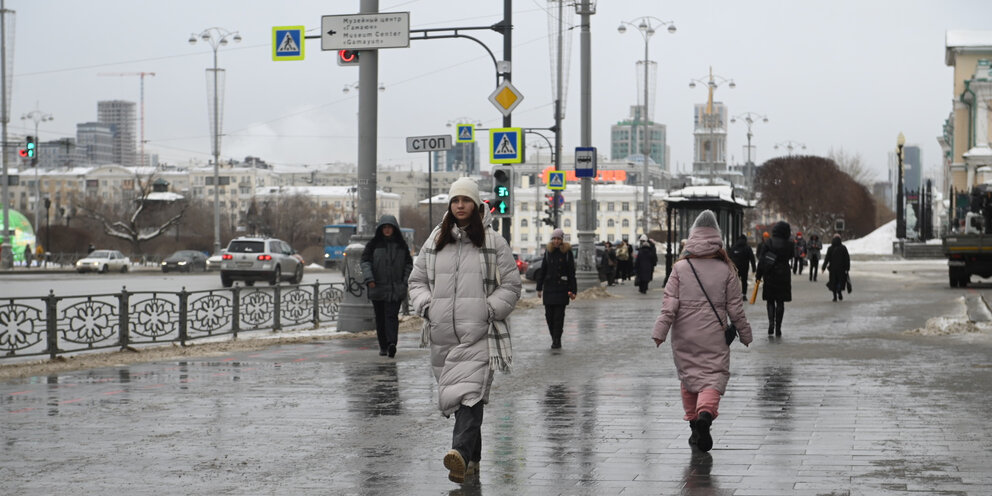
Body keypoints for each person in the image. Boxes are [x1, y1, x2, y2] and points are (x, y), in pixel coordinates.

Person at [407, 177, 522, 484]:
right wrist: (428, 307)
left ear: (476, 205)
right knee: (461, 399)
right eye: (455, 200)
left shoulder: (493, 242)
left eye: (465, 200)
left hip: (480, 333)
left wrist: (489, 309)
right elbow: (416, 282)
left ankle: (458, 452)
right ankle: (471, 461)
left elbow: (511, 285)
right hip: (442, 334)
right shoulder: (435, 241)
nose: (460, 205)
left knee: (470, 395)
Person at [652, 210, 753, 453]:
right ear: (717, 238)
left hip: (684, 334)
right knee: (713, 376)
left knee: (689, 378)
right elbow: (735, 308)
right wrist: (745, 334)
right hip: (714, 335)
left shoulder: (680, 268)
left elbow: (669, 305)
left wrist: (659, 332)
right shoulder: (727, 270)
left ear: (693, 237)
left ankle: (695, 426)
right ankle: (705, 414)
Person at [360, 214, 414, 358]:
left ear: (395, 228)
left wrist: (404, 282)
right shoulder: (373, 245)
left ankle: (392, 344)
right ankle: (383, 346)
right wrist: (369, 278)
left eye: (390, 227)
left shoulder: (402, 246)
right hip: (377, 287)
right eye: (385, 227)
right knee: (380, 318)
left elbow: (409, 264)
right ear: (381, 229)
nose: (387, 230)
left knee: (391, 317)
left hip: (396, 289)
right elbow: (365, 262)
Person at [535, 228, 576, 349]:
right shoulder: (548, 252)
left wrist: (573, 291)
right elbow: (542, 271)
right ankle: (554, 336)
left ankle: (557, 340)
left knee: (558, 317)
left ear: (562, 240)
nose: (556, 241)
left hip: (562, 289)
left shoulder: (567, 253)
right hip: (549, 289)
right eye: (554, 238)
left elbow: (571, 273)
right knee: (549, 317)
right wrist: (539, 288)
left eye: (558, 239)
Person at [755, 221, 794, 336]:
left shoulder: (768, 243)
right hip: (783, 275)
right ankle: (778, 327)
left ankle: (771, 323)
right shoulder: (789, 244)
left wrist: (759, 275)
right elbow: (792, 255)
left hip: (770, 274)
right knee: (780, 302)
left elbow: (762, 260)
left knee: (770, 300)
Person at [822, 234, 851, 302]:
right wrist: (847, 268)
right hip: (841, 269)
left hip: (832, 269)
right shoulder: (843, 248)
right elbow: (847, 259)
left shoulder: (830, 248)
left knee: (833, 282)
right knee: (840, 281)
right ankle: (839, 292)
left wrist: (823, 267)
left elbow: (827, 259)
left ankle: (834, 297)